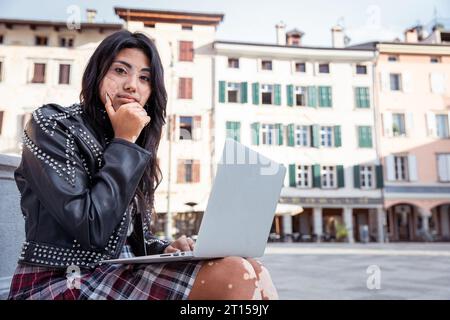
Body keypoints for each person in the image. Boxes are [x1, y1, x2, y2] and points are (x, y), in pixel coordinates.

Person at [8, 30, 278, 300]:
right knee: (234, 273)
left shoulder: (135, 142)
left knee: (255, 269)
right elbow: (91, 228)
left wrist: (167, 247)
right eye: (120, 70)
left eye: (144, 78)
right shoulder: (53, 124)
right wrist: (125, 141)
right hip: (61, 278)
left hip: (117, 270)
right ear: (97, 73)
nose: (132, 85)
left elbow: (129, 238)